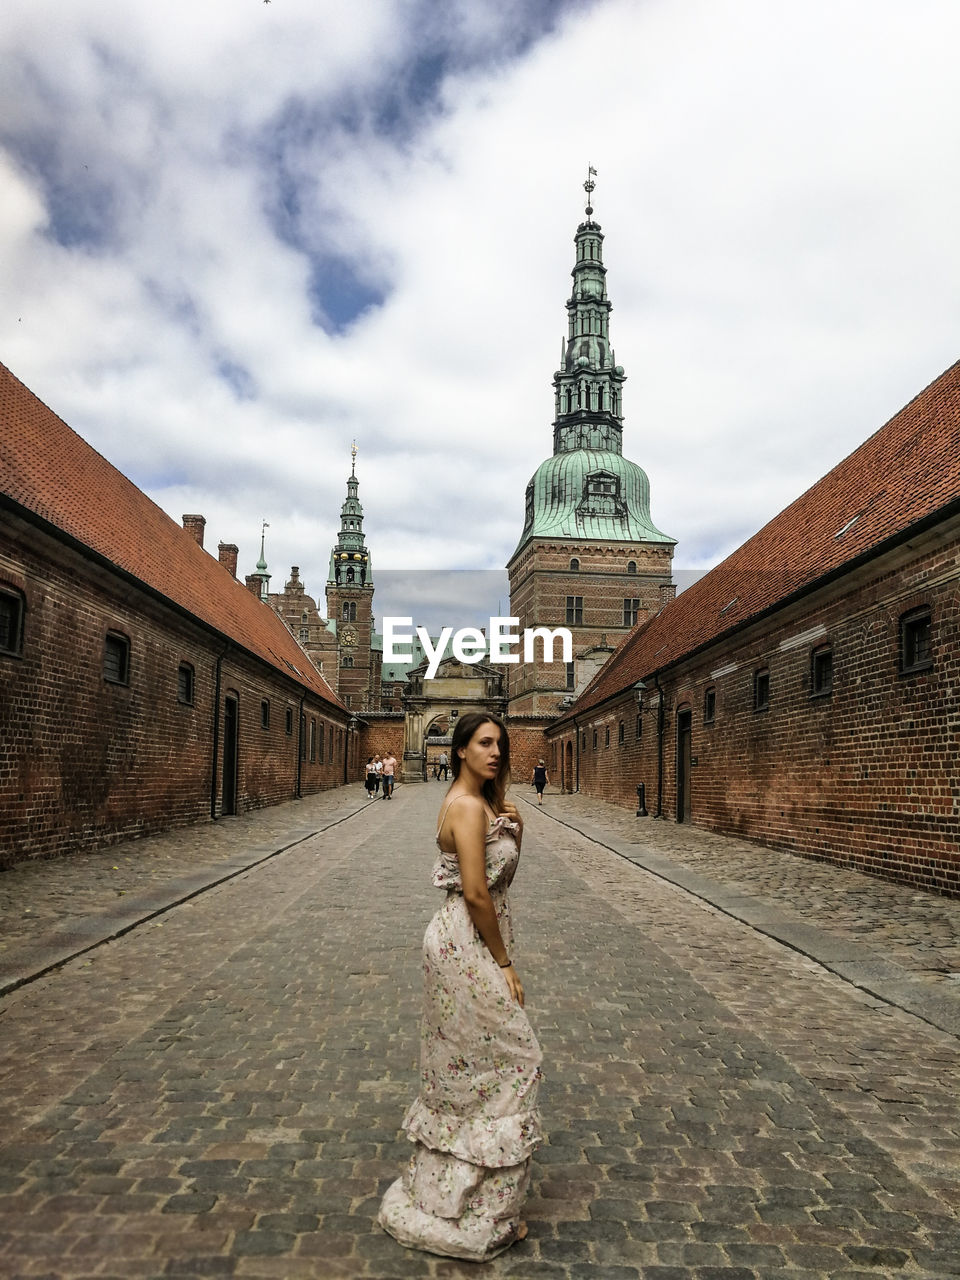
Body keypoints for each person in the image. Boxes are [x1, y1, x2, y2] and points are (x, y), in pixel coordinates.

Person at [379, 712, 542, 1261]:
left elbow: (495, 881)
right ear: (459, 751)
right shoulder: (470, 807)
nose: (495, 752)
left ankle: (462, 1192)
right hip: (466, 942)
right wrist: (505, 963)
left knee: (471, 1068)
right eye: (483, 743)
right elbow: (477, 894)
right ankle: (482, 1205)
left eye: (500, 743)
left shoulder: (476, 805)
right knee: (517, 1058)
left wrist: (516, 834)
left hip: (460, 936)